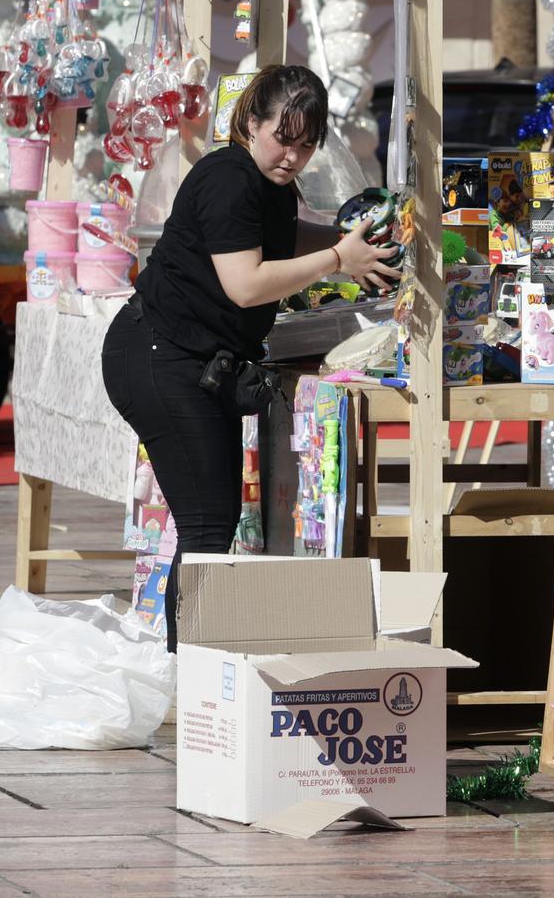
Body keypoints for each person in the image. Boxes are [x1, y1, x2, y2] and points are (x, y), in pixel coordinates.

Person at [100, 65, 399, 650]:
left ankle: (197, 669)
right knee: (208, 525)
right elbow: (246, 283)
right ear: (250, 123)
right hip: (160, 356)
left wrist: (358, 245)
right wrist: (340, 260)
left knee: (212, 521)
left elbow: (286, 238)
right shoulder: (229, 178)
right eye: (283, 138)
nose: (293, 156)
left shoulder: (268, 185)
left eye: (306, 144)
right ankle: (191, 674)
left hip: (186, 358)